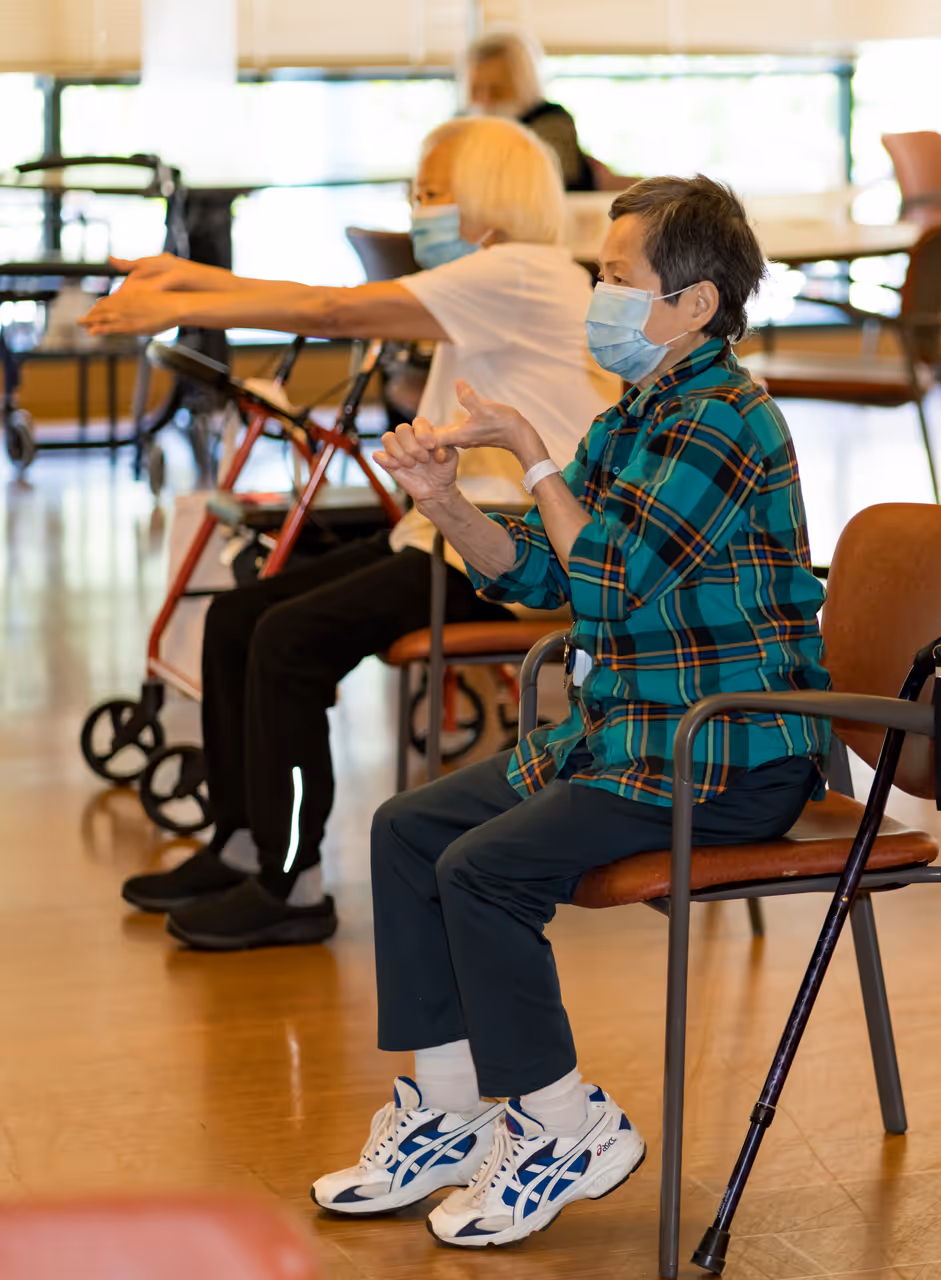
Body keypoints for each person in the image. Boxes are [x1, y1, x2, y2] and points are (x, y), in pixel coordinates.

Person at [306, 174, 829, 1248]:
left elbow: (616, 577)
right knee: (408, 830)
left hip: (726, 751)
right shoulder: (641, 411)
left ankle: (563, 1122)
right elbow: (545, 571)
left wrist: (534, 453)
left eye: (616, 274)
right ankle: (451, 1111)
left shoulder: (726, 420)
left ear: (692, 304)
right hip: (632, 733)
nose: (598, 289)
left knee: (484, 867)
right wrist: (450, 501)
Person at [85, 117, 620, 950]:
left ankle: (292, 883)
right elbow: (328, 307)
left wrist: (183, 293)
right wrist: (185, 279)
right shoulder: (493, 284)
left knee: (289, 639)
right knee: (237, 620)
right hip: (443, 533)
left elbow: (330, 309)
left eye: (433, 194)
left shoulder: (518, 271)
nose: (417, 211)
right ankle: (237, 844)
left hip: (513, 550)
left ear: (489, 203)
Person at [465, 28, 597, 193]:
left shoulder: (552, 122)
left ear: (523, 85)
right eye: (475, 90)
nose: (484, 100)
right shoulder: (466, 128)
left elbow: (543, 185)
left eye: (497, 91)